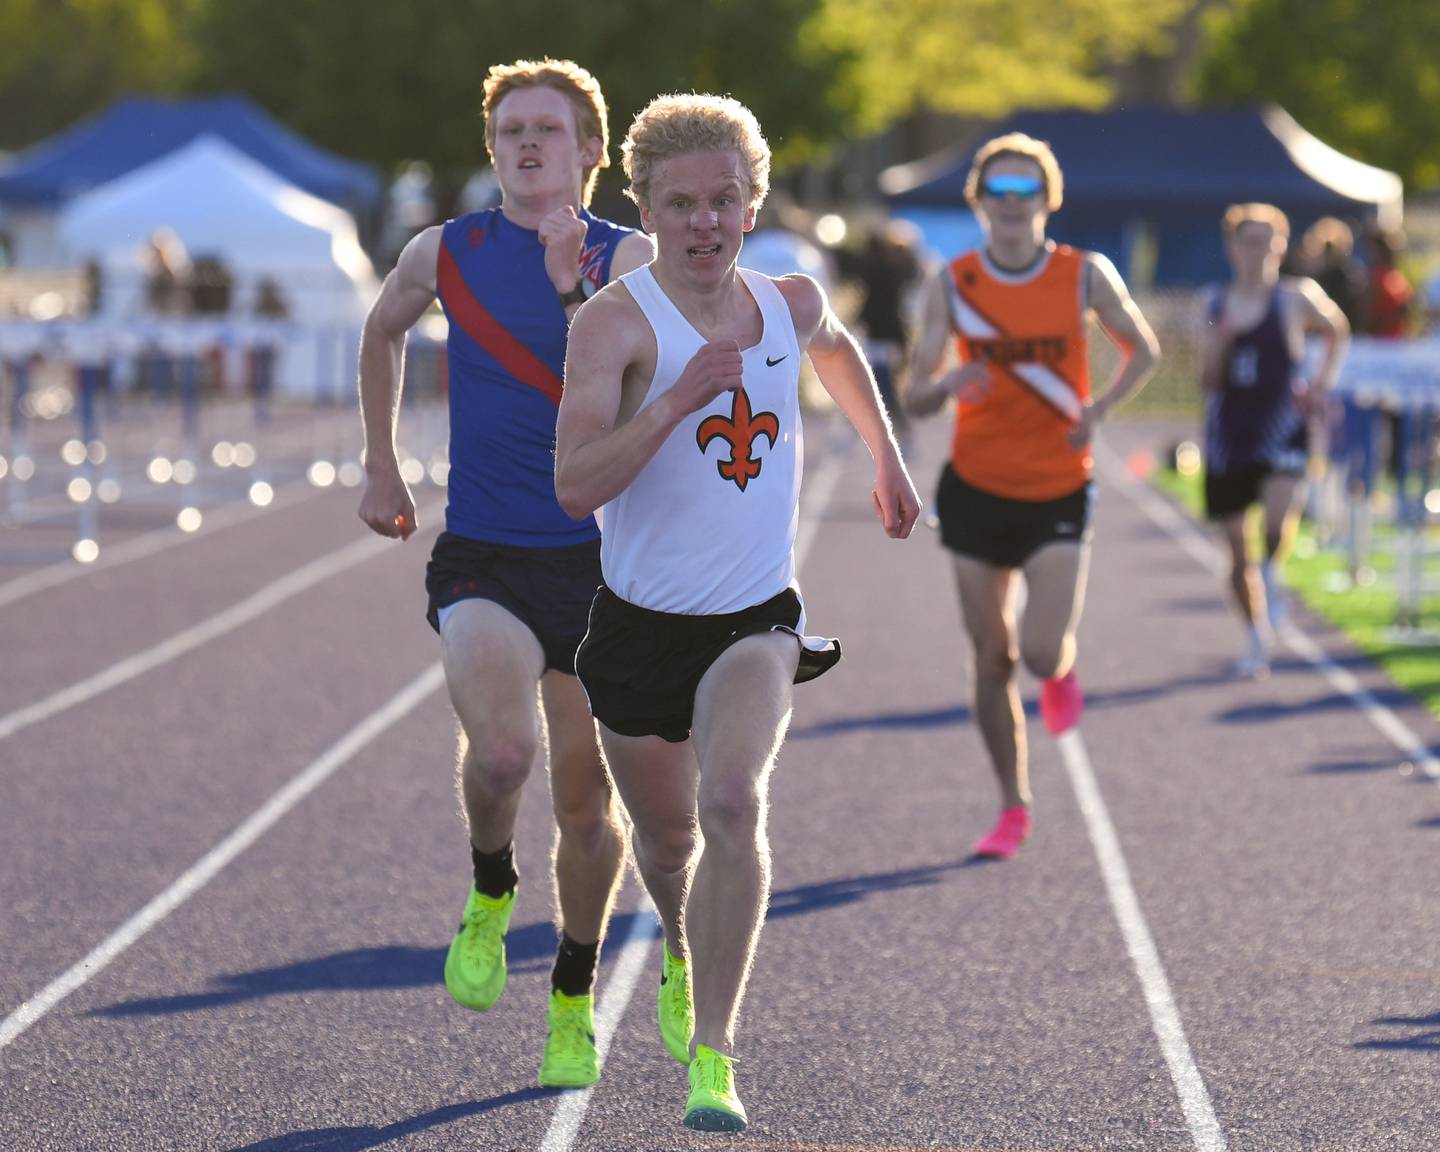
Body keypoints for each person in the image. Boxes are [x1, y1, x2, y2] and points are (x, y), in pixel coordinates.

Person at [554, 92, 920, 1132]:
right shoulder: (613, 327)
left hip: (755, 620)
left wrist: (888, 457)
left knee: (732, 806)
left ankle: (713, 1053)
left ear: (753, 204)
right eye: (681, 204)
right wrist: (675, 400)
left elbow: (841, 351)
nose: (705, 222)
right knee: (668, 848)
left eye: (725, 200)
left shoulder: (790, 302)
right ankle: (678, 949)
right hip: (635, 630)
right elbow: (576, 487)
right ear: (647, 209)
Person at [356, 58, 653, 1090]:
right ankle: (491, 887)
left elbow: (663, 388)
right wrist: (381, 460)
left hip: (604, 569)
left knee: (585, 803)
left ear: (592, 151)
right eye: (513, 128)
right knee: (500, 760)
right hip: (483, 552)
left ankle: (572, 991)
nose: (530, 143)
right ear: (493, 148)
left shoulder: (636, 261)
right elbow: (383, 328)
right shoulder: (447, 253)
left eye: (552, 129)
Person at [905, 132, 1160, 860]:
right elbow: (915, 395)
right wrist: (945, 384)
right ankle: (1012, 805)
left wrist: (1100, 408)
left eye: (1025, 194)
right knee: (992, 658)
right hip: (976, 489)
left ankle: (1061, 671)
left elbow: (1143, 348)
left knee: (1041, 651)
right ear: (979, 203)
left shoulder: (1083, 275)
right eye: (998, 194)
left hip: (1057, 484)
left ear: (1047, 201)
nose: (1011, 207)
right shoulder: (952, 284)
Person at [1199, 203, 1348, 677]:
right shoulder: (1212, 303)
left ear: (1281, 248)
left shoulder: (1295, 296)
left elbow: (1337, 328)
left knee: (1278, 520)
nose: (1257, 252)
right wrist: (1220, 344)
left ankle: (1274, 572)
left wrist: (1321, 382)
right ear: (1231, 248)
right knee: (1236, 553)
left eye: (1267, 242)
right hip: (1229, 435)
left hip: (1283, 425)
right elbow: (1206, 379)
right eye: (1248, 242)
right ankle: (1255, 634)